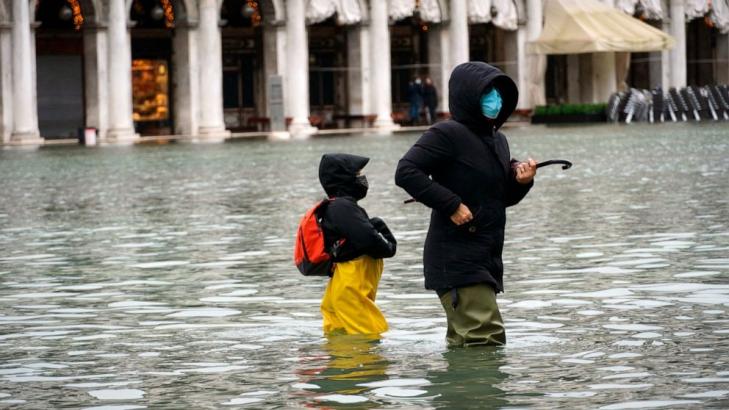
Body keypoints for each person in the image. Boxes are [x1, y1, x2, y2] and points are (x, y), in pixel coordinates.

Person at [394, 62, 537, 347]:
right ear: (467, 95)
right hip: (456, 259)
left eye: (498, 92)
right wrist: (451, 205)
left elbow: (499, 198)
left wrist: (522, 182)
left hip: (487, 257)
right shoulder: (446, 133)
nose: (495, 99)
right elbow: (406, 171)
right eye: (487, 92)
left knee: (468, 342)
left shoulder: (499, 140)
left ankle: (460, 392)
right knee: (485, 340)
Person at [318, 153, 397, 335]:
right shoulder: (343, 207)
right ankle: (370, 363)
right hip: (351, 277)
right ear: (344, 179)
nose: (362, 179)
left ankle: (343, 361)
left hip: (344, 276)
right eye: (358, 174)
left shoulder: (336, 206)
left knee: (337, 324)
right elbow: (370, 241)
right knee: (367, 331)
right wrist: (387, 240)